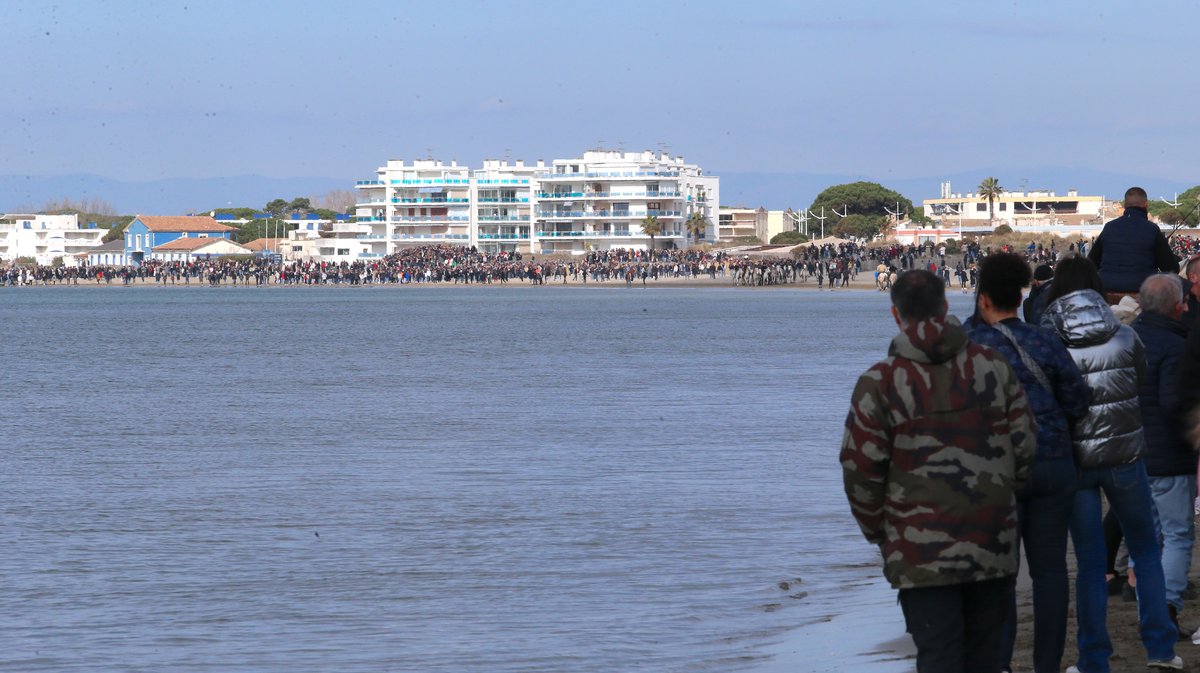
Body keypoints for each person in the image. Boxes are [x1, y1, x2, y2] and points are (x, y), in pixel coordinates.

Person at [840, 269, 1035, 673]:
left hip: (919, 549)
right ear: (945, 308)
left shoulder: (879, 382)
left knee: (937, 656)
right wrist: (1000, 498)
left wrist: (882, 532)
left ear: (896, 315)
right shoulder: (993, 367)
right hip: (991, 537)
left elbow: (860, 469)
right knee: (986, 658)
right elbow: (1027, 445)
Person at [1039, 255, 1182, 672]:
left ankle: (1093, 659)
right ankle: (1161, 649)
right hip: (1126, 455)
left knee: (1089, 562)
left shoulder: (1049, 339)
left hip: (1077, 460)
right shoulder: (1124, 334)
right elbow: (1138, 380)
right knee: (1145, 550)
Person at [965, 253, 1090, 673]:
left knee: (1000, 574)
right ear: (1021, 295)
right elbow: (1077, 399)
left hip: (995, 469)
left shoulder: (967, 345)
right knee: (1050, 572)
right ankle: (1046, 665)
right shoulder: (1042, 339)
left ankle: (999, 663)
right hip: (1052, 461)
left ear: (982, 297)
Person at [1131, 273, 1195, 639]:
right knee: (1178, 534)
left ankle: (1150, 612)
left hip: (1132, 453)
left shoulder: (1128, 338)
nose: (1187, 307)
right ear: (1174, 307)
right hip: (1168, 454)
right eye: (1183, 302)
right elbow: (1173, 402)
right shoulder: (1174, 346)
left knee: (1148, 538)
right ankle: (1165, 611)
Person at [1088, 187, 1180, 294]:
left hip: (1107, 288)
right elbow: (1170, 268)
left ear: (1125, 206)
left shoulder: (1109, 227)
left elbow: (1091, 262)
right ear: (1146, 205)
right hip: (1141, 290)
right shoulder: (1152, 229)